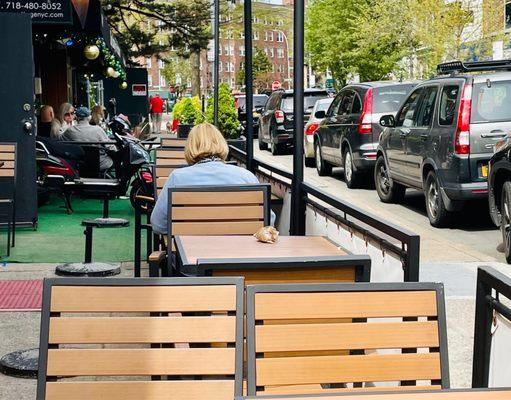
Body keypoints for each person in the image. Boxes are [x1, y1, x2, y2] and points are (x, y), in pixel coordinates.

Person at [151, 123, 275, 234]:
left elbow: (158, 224)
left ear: (190, 147)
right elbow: (268, 220)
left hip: (191, 254)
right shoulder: (247, 177)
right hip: (239, 254)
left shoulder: (177, 178)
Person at [60, 107, 115, 172]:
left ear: (76, 118)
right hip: (100, 164)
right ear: (89, 117)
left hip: (77, 165)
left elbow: (60, 142)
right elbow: (110, 147)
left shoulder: (69, 131)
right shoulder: (98, 130)